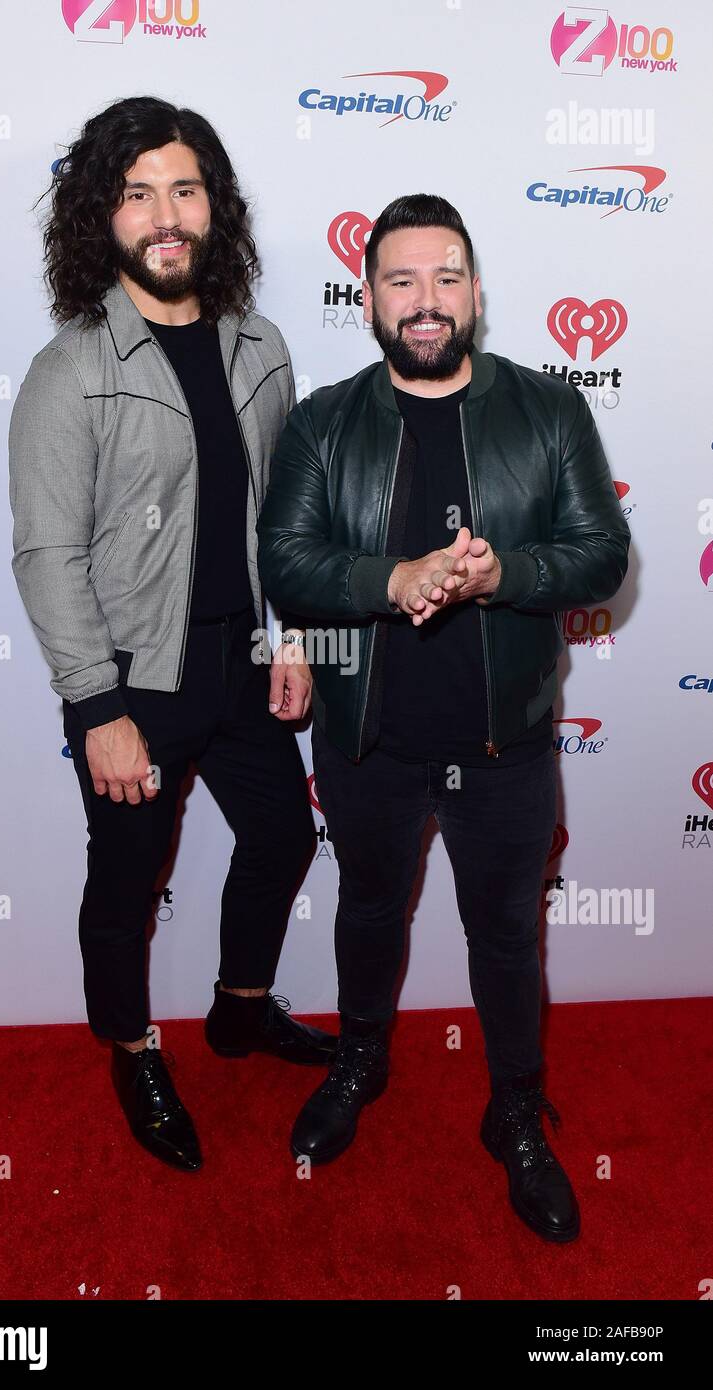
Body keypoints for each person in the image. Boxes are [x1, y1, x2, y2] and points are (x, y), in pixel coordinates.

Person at [257, 193, 630, 1241]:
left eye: (446, 277)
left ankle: (513, 1109)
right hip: (369, 740)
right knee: (368, 913)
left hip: (502, 743)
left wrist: (501, 570)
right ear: (368, 296)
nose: (426, 302)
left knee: (507, 937)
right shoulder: (325, 421)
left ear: (474, 289)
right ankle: (361, 1061)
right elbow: (286, 560)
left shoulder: (547, 410)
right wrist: (398, 576)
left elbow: (600, 552)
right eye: (402, 280)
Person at [8, 96, 335, 1174]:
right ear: (102, 216)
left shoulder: (261, 346)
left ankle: (239, 1009)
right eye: (137, 191)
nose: (165, 213)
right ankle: (134, 1047)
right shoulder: (73, 369)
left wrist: (292, 634)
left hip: (242, 662)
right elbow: (49, 554)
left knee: (285, 837)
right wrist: (95, 706)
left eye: (184, 188)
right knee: (127, 880)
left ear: (213, 208)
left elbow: (284, 514)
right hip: (134, 681)